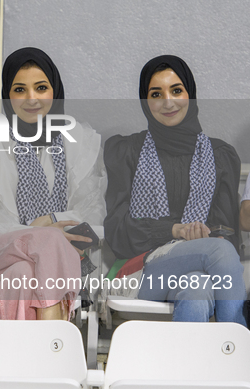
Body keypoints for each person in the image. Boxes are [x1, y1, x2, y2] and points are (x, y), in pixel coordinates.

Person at [0, 47, 107, 320]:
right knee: (47, 242)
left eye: (41, 87)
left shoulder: (79, 143)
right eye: (20, 89)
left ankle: (28, 359)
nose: (31, 98)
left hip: (41, 270)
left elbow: (92, 215)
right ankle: (56, 347)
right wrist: (37, 232)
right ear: (8, 96)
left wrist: (47, 222)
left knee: (23, 274)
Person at [104, 55, 246, 325]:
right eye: (156, 94)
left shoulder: (220, 156)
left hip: (199, 267)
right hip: (140, 270)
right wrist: (175, 231)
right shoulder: (127, 151)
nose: (168, 102)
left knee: (197, 289)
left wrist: (204, 235)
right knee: (220, 253)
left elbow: (225, 231)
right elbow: (117, 232)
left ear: (190, 95)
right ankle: (240, 351)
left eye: (176, 90)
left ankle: (184, 366)